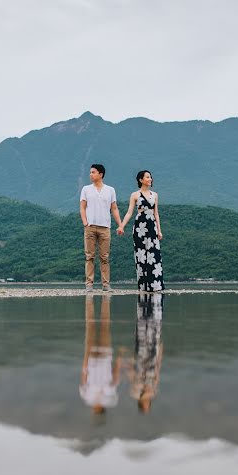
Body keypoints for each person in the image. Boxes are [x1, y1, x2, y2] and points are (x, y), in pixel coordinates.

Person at [117, 170, 164, 292]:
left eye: (151, 177)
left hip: (152, 226)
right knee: (141, 256)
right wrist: (121, 226)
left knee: (154, 255)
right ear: (140, 180)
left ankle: (155, 285)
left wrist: (159, 230)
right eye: (148, 177)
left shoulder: (155, 195)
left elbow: (156, 214)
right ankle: (143, 286)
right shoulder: (135, 195)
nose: (150, 179)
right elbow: (129, 212)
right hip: (140, 227)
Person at [80, 164, 123, 292]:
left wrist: (120, 224)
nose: (90, 174)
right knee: (89, 256)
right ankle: (89, 284)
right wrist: (85, 222)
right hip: (90, 227)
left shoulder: (110, 190)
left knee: (104, 257)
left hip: (105, 227)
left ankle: (106, 284)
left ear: (101, 174)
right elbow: (82, 207)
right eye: (90, 172)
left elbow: (114, 208)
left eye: (93, 172)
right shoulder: (86, 189)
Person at [81, 295, 123, 415]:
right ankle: (105, 300)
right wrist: (119, 358)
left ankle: (95, 301)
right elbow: (115, 375)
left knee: (90, 326)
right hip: (105, 357)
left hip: (92, 359)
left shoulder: (87, 395)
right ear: (101, 409)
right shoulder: (109, 393)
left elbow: (84, 374)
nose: (95, 407)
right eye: (96, 409)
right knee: (105, 325)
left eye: (94, 409)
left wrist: (85, 356)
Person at [128, 293, 164, 413]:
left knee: (142, 334)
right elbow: (157, 375)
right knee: (151, 334)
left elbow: (133, 376)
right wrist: (160, 354)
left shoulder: (135, 392)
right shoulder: (152, 392)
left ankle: (144, 306)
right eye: (147, 404)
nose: (146, 402)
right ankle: (148, 305)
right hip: (150, 363)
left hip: (141, 361)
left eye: (145, 405)